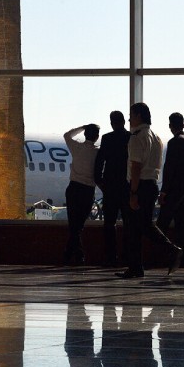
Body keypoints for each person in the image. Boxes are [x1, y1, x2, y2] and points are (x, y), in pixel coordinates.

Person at [115, 102, 183, 279]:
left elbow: (136, 167)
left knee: (138, 227)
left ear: (138, 116)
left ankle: (171, 250)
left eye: (131, 115)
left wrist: (133, 193)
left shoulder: (137, 137)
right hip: (152, 185)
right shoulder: (157, 137)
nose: (129, 119)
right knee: (139, 227)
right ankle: (136, 267)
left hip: (140, 186)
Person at [94, 111, 131, 266]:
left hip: (110, 187)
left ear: (111, 123)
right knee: (129, 224)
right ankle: (128, 256)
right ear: (124, 121)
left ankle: (111, 257)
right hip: (127, 187)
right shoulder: (131, 138)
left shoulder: (107, 138)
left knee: (109, 224)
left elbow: (100, 161)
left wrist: (100, 181)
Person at [156, 112, 184, 254]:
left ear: (170, 126)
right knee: (181, 223)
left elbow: (169, 168)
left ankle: (160, 254)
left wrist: (164, 191)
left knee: (162, 223)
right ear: (183, 125)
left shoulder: (174, 142)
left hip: (173, 190)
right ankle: (182, 253)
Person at [63, 123, 100, 265]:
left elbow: (67, 135)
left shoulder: (77, 147)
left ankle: (71, 255)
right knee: (78, 226)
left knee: (74, 225)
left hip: (73, 189)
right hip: (87, 191)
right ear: (97, 137)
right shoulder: (98, 152)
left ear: (85, 134)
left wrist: (82, 127)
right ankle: (76, 255)